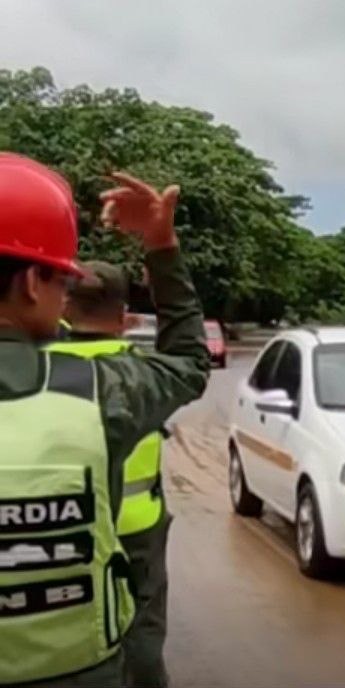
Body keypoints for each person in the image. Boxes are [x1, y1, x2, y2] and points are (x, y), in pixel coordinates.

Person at [0, 153, 209, 687]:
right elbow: (189, 362)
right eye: (59, 281)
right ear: (31, 283)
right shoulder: (100, 391)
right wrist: (161, 247)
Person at [46, 261, 172, 688]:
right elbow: (189, 358)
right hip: (138, 527)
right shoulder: (144, 374)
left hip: (68, 522)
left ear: (65, 305)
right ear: (124, 316)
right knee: (143, 630)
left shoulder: (42, 369)